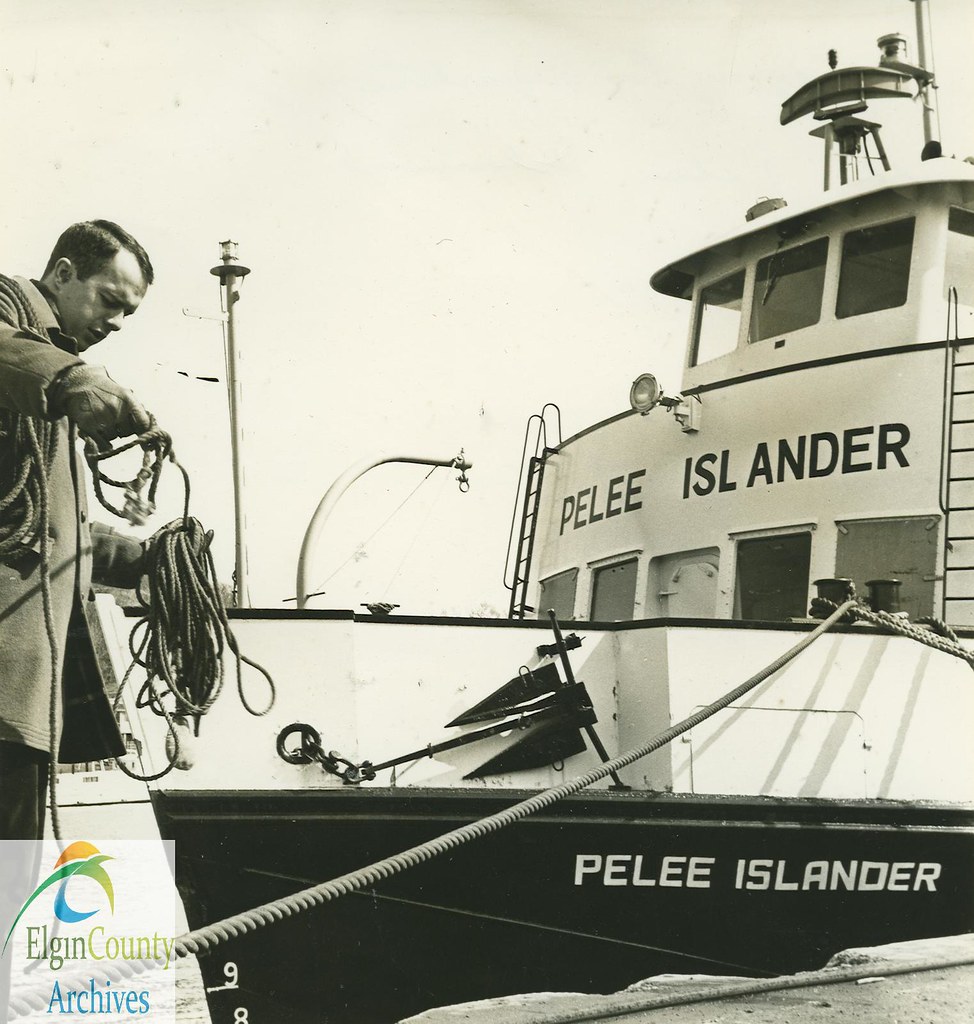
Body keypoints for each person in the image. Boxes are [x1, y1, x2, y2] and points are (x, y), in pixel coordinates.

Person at [0, 220, 155, 841]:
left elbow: (47, 530)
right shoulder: (19, 328)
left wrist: (143, 557)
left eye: (128, 313)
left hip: (25, 695)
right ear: (63, 273)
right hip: (9, 685)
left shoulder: (47, 379)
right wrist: (70, 379)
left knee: (13, 879)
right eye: (109, 300)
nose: (115, 323)